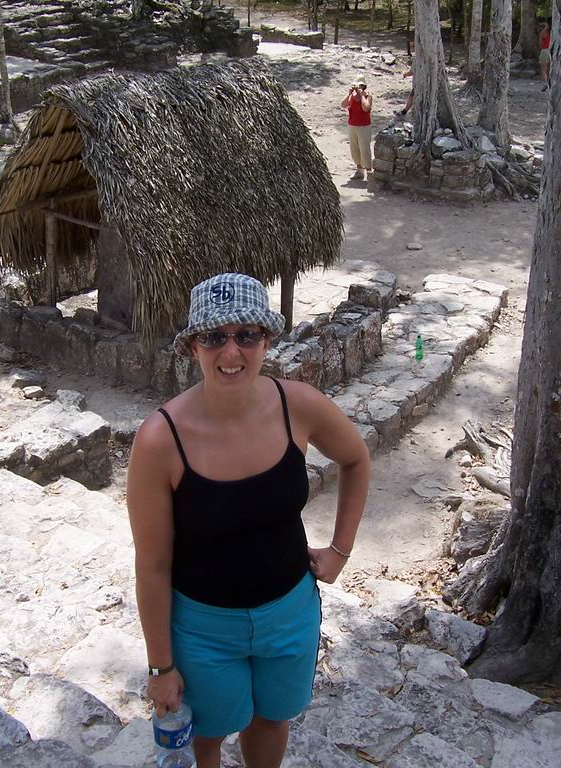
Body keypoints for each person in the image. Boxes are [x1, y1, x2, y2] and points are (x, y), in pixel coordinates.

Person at [127, 273, 371, 768]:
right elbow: (152, 565)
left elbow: (356, 458)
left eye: (246, 335)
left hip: (291, 614)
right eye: (214, 337)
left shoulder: (297, 406)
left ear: (267, 341)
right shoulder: (160, 440)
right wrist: (161, 667)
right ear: (193, 347)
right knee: (209, 736)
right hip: (203, 628)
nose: (231, 351)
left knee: (272, 720)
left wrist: (340, 550)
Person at [341, 76, 373, 181]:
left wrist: (362, 96)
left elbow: (366, 108)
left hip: (364, 126)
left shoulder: (368, 96)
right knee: (354, 149)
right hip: (352, 125)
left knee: (364, 149)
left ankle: (369, 172)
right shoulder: (351, 96)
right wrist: (349, 93)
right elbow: (343, 105)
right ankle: (359, 170)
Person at [538, 22, 552, 92]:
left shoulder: (543, 32)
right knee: (550, 69)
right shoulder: (553, 31)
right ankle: (550, 82)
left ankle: (545, 83)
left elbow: (540, 43)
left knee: (543, 70)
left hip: (545, 50)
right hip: (552, 50)